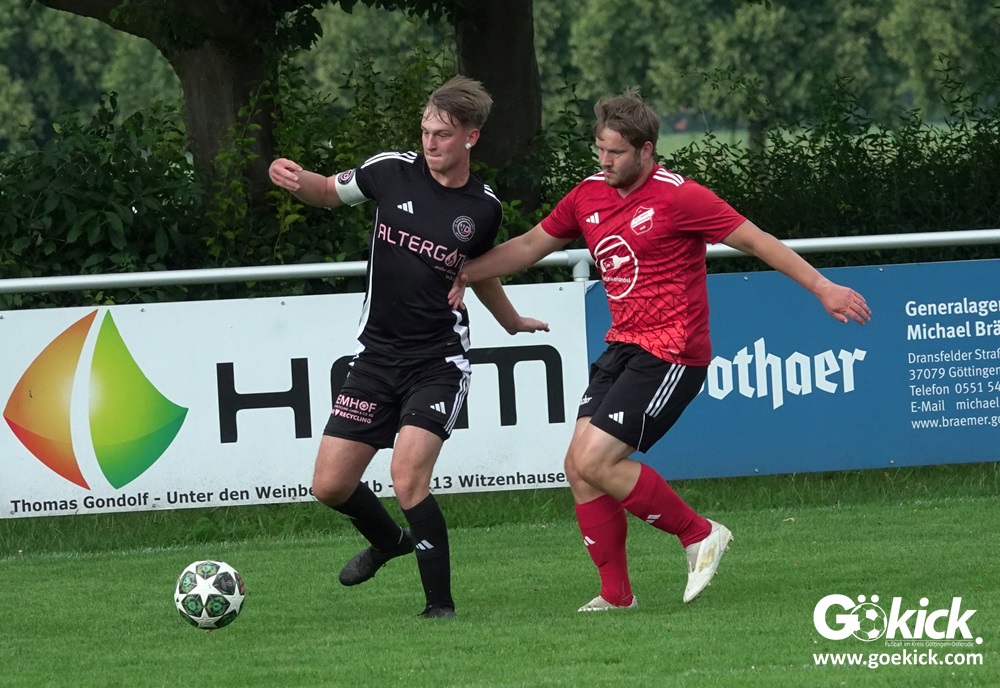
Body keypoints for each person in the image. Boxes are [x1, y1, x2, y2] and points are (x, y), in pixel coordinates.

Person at [449, 89, 871, 612]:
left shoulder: (681, 197)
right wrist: (463, 271)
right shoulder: (588, 195)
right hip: (623, 346)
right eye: (599, 150)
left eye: (616, 153)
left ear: (646, 150)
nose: (604, 161)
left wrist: (824, 288)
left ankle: (699, 533)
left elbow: (757, 241)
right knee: (577, 467)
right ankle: (616, 595)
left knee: (596, 459)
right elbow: (530, 245)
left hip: (672, 351)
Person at [268, 76, 549, 619]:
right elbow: (326, 192)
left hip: (438, 362)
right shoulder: (389, 171)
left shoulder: (482, 208)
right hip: (376, 358)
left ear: (471, 137)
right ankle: (389, 541)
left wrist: (510, 321)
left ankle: (439, 607)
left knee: (407, 477)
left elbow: (478, 270)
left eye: (442, 134)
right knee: (329, 485)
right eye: (425, 131)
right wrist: (296, 180)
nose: (430, 142)